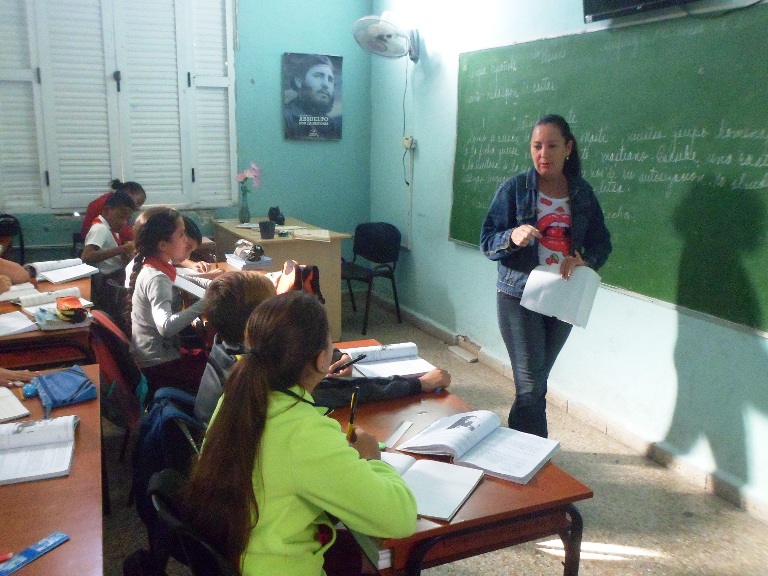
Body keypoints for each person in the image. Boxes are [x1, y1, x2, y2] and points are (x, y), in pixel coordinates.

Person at [182, 291, 417, 575]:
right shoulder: (304, 433)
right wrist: (372, 459)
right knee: (381, 558)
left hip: (243, 552)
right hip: (281, 565)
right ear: (322, 360)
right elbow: (399, 518)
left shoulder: (237, 396)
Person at [480, 114, 612, 438]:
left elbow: (601, 243)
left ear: (568, 148)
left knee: (536, 383)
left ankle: (516, 453)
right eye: (537, 146)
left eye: (552, 146)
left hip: (563, 297)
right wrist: (511, 237)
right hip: (518, 296)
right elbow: (487, 241)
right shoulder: (515, 189)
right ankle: (533, 463)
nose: (543, 154)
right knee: (529, 386)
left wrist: (585, 260)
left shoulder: (581, 193)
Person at [194, 271, 450, 423]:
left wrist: (334, 357)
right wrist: (418, 383)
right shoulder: (264, 379)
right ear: (260, 319)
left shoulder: (225, 344)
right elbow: (348, 391)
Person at [127, 207, 211, 396]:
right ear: (163, 245)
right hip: (159, 366)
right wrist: (207, 301)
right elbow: (165, 326)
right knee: (222, 374)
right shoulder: (157, 278)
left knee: (211, 360)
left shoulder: (155, 265)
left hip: (157, 358)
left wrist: (213, 283)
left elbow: (182, 279)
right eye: (181, 235)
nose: (185, 239)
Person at [81, 190, 136, 281]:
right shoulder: (100, 228)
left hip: (114, 275)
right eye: (121, 217)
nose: (124, 222)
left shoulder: (111, 228)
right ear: (106, 211)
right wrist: (124, 248)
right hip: (108, 281)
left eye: (127, 219)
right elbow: (87, 256)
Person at [284, 53, 342, 140]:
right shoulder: (287, 117)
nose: (326, 84)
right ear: (299, 81)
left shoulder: (333, 125)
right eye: (318, 76)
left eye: (330, 80)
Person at [81, 179, 146, 242]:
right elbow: (123, 232)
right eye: (138, 202)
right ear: (129, 194)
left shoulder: (112, 200)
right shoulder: (109, 204)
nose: (137, 208)